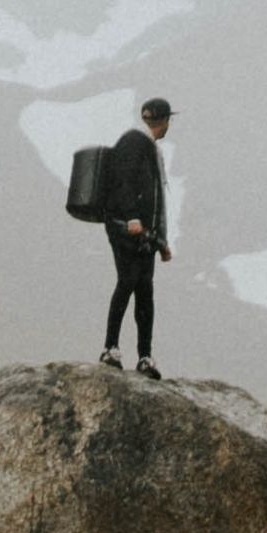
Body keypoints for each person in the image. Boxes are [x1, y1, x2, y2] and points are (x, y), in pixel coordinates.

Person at [97, 96, 173, 376]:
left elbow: (154, 202)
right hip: (124, 227)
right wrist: (131, 217)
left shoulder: (146, 146)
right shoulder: (135, 142)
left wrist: (161, 243)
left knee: (145, 290)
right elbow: (124, 181)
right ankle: (110, 348)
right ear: (165, 121)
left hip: (143, 234)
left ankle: (145, 356)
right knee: (128, 281)